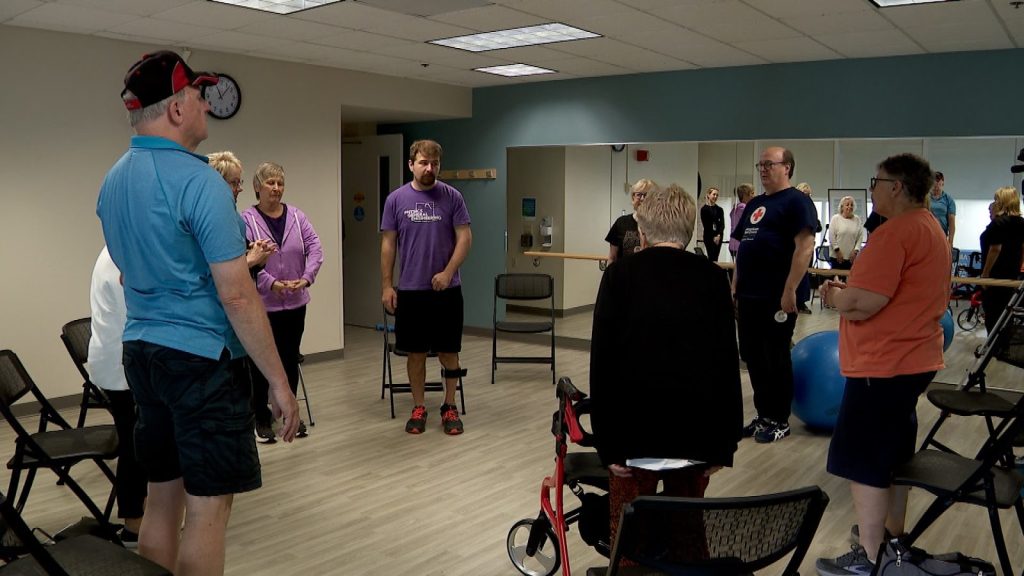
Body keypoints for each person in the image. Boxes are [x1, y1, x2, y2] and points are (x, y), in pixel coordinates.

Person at [97, 51, 299, 576]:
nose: (207, 105)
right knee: (209, 508)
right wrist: (278, 382)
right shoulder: (202, 183)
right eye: (198, 95)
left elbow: (125, 270)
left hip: (143, 357)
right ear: (178, 109)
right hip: (201, 364)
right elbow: (236, 296)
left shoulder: (113, 182)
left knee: (162, 496)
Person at [816, 153, 950, 576]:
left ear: (896, 186)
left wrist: (835, 295)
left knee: (865, 457)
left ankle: (869, 558)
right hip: (911, 361)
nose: (870, 189)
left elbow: (862, 303)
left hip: (884, 364)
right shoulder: (931, 228)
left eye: (875, 181)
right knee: (891, 452)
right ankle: (890, 538)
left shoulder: (896, 233)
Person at [591, 183, 742, 547]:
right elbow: (725, 365)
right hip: (695, 437)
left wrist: (607, 445)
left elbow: (603, 365)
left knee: (627, 542)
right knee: (688, 540)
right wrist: (725, 444)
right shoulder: (712, 279)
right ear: (691, 231)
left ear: (642, 231)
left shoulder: (618, 277)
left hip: (632, 436)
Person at [381, 139, 472, 435]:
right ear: (411, 165)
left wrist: (448, 273)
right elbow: (388, 244)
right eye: (423, 163)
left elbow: (465, 238)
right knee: (416, 353)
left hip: (446, 290)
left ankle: (449, 406)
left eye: (434, 164)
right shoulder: (396, 200)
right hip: (410, 290)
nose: (429, 168)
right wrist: (387, 285)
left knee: (448, 351)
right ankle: (418, 406)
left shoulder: (453, 197)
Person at [731, 147, 817, 443]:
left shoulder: (797, 202)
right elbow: (743, 248)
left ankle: (779, 419)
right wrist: (735, 284)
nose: (763, 169)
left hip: (777, 297)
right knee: (753, 356)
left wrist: (790, 288)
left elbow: (805, 247)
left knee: (774, 356)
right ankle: (763, 414)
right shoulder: (756, 203)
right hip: (749, 295)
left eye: (770, 164)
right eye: (761, 165)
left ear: (788, 167)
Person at [241, 162, 323, 441]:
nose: (276, 189)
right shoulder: (247, 220)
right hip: (263, 305)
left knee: (289, 359)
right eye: (270, 183)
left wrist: (306, 277)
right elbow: (246, 261)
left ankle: (290, 416)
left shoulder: (297, 217)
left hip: (296, 302)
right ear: (257, 187)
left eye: (280, 183)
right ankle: (262, 419)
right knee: (261, 363)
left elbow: (315, 248)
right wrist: (271, 284)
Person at [87, 246, 146, 547]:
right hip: (121, 367)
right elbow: (140, 315)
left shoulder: (116, 251)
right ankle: (134, 525)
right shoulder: (122, 258)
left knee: (134, 440)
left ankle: (140, 516)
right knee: (133, 444)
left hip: (116, 362)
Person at [979, 186, 1024, 333]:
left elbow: (995, 249)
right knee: (1006, 314)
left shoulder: (999, 223)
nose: (994, 203)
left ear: (1004, 201)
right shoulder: (1021, 223)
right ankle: (1003, 347)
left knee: (992, 314)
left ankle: (993, 348)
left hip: (994, 276)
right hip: (1011, 275)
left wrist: (985, 274)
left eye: (996, 200)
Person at [605, 178, 656, 262]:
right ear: (633, 197)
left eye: (646, 195)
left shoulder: (660, 225)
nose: (642, 198)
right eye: (639, 194)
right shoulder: (621, 223)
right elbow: (612, 257)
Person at [795, 182, 822, 314]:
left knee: (804, 274)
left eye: (808, 194)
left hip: (807, 246)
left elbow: (817, 226)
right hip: (794, 247)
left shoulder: (811, 207)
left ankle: (801, 302)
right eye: (804, 194)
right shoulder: (794, 206)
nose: (806, 196)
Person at [828, 196, 866, 271]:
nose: (850, 207)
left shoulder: (857, 219)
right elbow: (831, 236)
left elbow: (860, 237)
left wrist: (855, 251)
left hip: (851, 258)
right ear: (842, 207)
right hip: (837, 257)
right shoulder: (835, 218)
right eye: (847, 205)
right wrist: (837, 251)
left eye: (852, 205)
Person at [928, 171, 956, 248]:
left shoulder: (948, 200)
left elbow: (951, 222)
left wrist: (950, 241)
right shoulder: (925, 199)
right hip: (927, 235)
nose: (936, 187)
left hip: (942, 235)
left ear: (942, 183)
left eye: (938, 184)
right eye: (933, 184)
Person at [729, 183, 755, 259]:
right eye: (752, 193)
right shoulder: (744, 209)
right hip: (741, 245)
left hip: (733, 245)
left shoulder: (736, 208)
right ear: (745, 195)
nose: (754, 196)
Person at [700, 187, 725, 261]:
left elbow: (722, 224)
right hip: (708, 236)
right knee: (711, 257)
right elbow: (706, 225)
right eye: (714, 194)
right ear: (708, 195)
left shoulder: (719, 209)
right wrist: (713, 237)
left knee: (715, 257)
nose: (715, 196)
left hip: (719, 236)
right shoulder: (704, 209)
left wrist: (718, 235)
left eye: (717, 195)